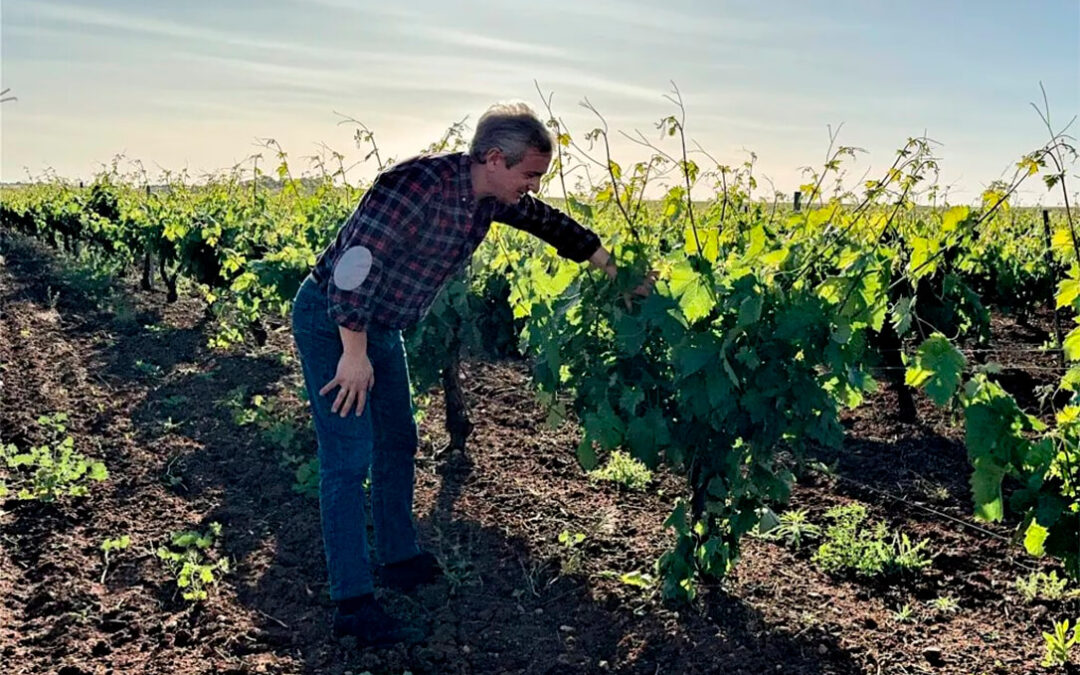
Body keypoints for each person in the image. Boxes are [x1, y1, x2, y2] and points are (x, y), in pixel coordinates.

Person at [290, 101, 649, 646]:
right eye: (529, 174)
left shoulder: (488, 197)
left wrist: (615, 271)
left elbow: (548, 223)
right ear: (493, 158)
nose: (532, 187)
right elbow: (353, 267)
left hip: (380, 326)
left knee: (399, 441)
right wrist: (354, 354)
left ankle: (398, 556)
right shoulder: (414, 186)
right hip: (335, 323)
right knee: (347, 457)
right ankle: (353, 603)